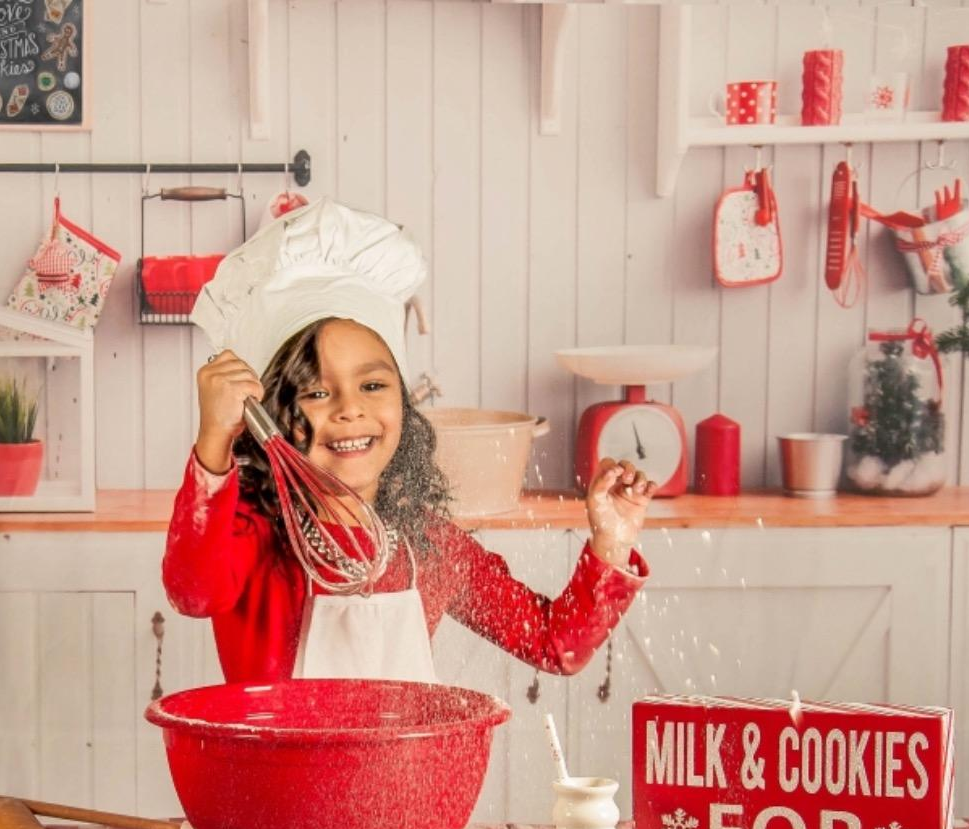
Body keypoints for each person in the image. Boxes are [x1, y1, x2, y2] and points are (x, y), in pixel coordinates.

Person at [163, 199, 651, 685]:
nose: (350, 408)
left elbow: (554, 643)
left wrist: (611, 541)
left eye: (373, 386)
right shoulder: (253, 531)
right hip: (274, 766)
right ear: (270, 415)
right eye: (315, 391)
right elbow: (194, 592)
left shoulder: (430, 544)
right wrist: (213, 440)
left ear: (403, 403)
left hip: (409, 766)